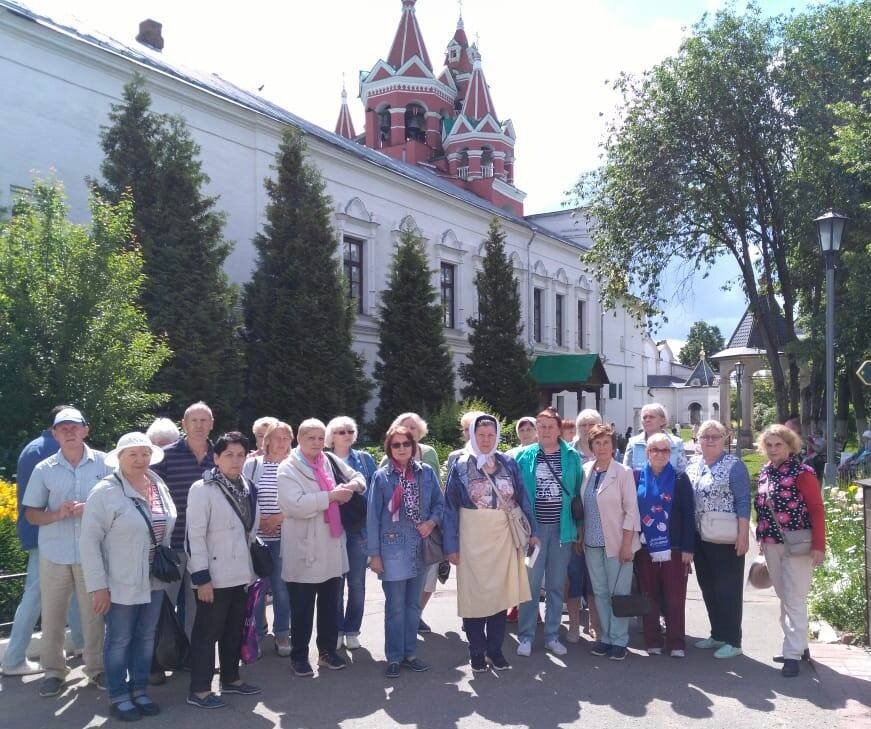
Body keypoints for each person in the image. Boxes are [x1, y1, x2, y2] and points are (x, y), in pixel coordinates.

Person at [80, 432, 176, 721]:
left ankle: (139, 689)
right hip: (120, 579)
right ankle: (118, 695)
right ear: (119, 458)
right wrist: (98, 586)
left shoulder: (158, 484)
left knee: (146, 637)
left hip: (154, 577)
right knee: (120, 638)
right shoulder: (105, 491)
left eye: (145, 453)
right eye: (132, 454)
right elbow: (89, 542)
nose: (140, 459)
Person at [22, 407, 111, 697]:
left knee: (94, 614)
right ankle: (53, 671)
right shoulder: (43, 469)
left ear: (86, 429)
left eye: (75, 427)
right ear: (54, 434)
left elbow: (118, 505)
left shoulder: (105, 463)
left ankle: (96, 669)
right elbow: (31, 514)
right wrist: (57, 514)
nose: (70, 432)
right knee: (53, 615)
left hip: (92, 552)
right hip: (55, 552)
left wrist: (94, 510)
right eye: (63, 428)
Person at [444, 415, 538, 672]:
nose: (486, 440)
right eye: (481, 435)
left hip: (503, 536)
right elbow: (450, 507)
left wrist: (533, 531)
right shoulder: (461, 464)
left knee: (500, 595)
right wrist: (450, 546)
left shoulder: (508, 462)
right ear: (473, 435)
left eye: (491, 435)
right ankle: (476, 651)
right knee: (475, 596)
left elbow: (523, 497)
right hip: (472, 536)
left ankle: (495, 650)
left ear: (497, 436)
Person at [277, 419, 365, 678]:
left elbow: (359, 478)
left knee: (329, 604)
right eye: (310, 438)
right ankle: (299, 657)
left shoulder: (328, 461)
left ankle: (327, 652)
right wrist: (331, 497)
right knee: (302, 608)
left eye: (319, 438)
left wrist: (349, 488)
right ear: (299, 439)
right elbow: (294, 505)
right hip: (305, 548)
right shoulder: (287, 469)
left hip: (330, 544)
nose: (316, 443)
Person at [2, 406, 84, 678]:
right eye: (66, 427)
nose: (71, 434)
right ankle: (13, 659)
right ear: (57, 428)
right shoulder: (53, 450)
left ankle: (83, 645)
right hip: (49, 534)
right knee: (35, 595)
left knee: (69, 594)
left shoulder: (32, 447)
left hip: (37, 531)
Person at [186, 432, 262, 709]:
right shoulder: (202, 489)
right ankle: (200, 690)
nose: (236, 460)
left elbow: (251, 531)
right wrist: (201, 577)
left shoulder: (249, 487)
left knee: (233, 630)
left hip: (241, 573)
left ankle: (231, 679)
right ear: (215, 458)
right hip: (213, 576)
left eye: (241, 454)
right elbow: (194, 536)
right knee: (207, 632)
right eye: (228, 454)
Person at [368, 424, 444, 678]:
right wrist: (374, 554)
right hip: (391, 549)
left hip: (419, 547)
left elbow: (439, 504)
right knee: (395, 607)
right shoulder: (381, 477)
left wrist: (432, 522)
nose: (401, 449)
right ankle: (393, 656)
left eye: (406, 444)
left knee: (413, 606)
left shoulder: (427, 472)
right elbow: (372, 518)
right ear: (389, 448)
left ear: (413, 446)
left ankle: (410, 653)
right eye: (396, 444)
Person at [754, 424, 826, 678]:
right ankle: (798, 645)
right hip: (772, 543)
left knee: (794, 597)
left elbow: (817, 508)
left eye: (779, 444)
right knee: (784, 596)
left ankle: (792, 654)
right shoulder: (765, 472)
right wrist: (761, 538)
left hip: (799, 543)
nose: (774, 449)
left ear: (789, 446)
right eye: (769, 445)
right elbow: (762, 508)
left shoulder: (802, 472)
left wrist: (819, 544)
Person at [513, 407, 582, 657]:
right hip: (534, 532)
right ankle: (526, 636)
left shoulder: (571, 456)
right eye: (540, 426)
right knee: (530, 585)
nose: (544, 430)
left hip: (562, 531)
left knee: (555, 585)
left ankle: (552, 635)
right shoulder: (525, 456)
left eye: (549, 426)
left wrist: (578, 531)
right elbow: (516, 491)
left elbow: (576, 491)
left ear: (559, 429)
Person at [686, 419, 751, 660]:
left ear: (725, 439)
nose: (710, 440)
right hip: (700, 536)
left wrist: (743, 534)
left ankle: (733, 640)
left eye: (715, 436)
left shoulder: (735, 466)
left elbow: (743, 501)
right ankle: (718, 634)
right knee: (708, 587)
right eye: (705, 436)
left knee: (728, 590)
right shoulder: (694, 464)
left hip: (726, 538)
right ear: (698, 440)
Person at [152, 402, 215, 643]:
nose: (199, 426)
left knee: (199, 608)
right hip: (174, 544)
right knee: (163, 606)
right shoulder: (166, 456)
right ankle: (159, 659)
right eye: (194, 421)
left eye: (204, 420)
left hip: (207, 546)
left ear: (212, 424)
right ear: (184, 424)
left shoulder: (219, 456)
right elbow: (155, 499)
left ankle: (192, 657)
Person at [580, 423, 641, 661]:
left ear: (613, 445)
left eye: (606, 442)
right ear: (591, 446)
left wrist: (627, 543)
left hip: (618, 543)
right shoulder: (586, 471)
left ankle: (619, 640)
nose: (602, 447)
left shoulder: (623, 472)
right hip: (592, 543)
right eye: (597, 443)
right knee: (600, 592)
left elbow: (631, 510)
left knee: (619, 593)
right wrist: (581, 535)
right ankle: (605, 637)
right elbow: (584, 508)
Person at [379, 412, 441, 632]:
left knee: (421, 587)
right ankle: (396, 650)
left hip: (423, 535)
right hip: (395, 540)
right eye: (404, 429)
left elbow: (437, 496)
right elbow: (378, 509)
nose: (404, 444)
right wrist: (375, 552)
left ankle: (414, 623)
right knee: (396, 600)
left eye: (413, 429)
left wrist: (432, 522)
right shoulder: (385, 469)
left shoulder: (427, 465)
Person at [634, 433, 695, 657]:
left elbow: (689, 515)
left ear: (671, 453)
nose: (660, 454)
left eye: (665, 450)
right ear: (647, 453)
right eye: (655, 450)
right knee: (649, 594)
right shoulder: (636, 477)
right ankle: (652, 640)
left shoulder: (680, 479)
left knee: (674, 597)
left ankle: (676, 642)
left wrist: (689, 548)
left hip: (675, 547)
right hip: (645, 548)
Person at [242, 421, 294, 657]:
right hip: (258, 538)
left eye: (286, 438)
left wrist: (278, 518)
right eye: (277, 437)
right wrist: (261, 521)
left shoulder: (296, 466)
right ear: (267, 441)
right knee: (259, 588)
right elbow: (243, 497)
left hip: (287, 536)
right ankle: (257, 634)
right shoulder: (252, 465)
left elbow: (303, 499)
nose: (281, 442)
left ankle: (282, 632)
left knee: (282, 589)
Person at [325, 416, 377, 651]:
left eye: (349, 430)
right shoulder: (322, 460)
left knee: (357, 583)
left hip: (358, 528)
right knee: (334, 583)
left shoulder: (364, 460)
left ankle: (352, 629)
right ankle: (335, 629)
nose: (346, 434)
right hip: (331, 529)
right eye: (340, 431)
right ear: (331, 436)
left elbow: (375, 496)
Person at [566, 409, 603, 643]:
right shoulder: (568, 452)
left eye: (593, 424)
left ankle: (594, 624)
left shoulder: (606, 449)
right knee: (573, 575)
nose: (588, 427)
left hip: (599, 525)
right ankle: (572, 625)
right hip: (572, 524)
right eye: (584, 424)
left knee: (595, 578)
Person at [624, 404, 686, 473]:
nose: (647, 420)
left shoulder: (676, 443)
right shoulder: (633, 443)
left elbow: (682, 472)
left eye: (651, 417)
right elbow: (626, 473)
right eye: (644, 417)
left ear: (663, 420)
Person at [445, 410, 485, 475]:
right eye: (466, 429)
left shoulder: (497, 457)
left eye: (473, 428)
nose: (469, 433)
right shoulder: (455, 457)